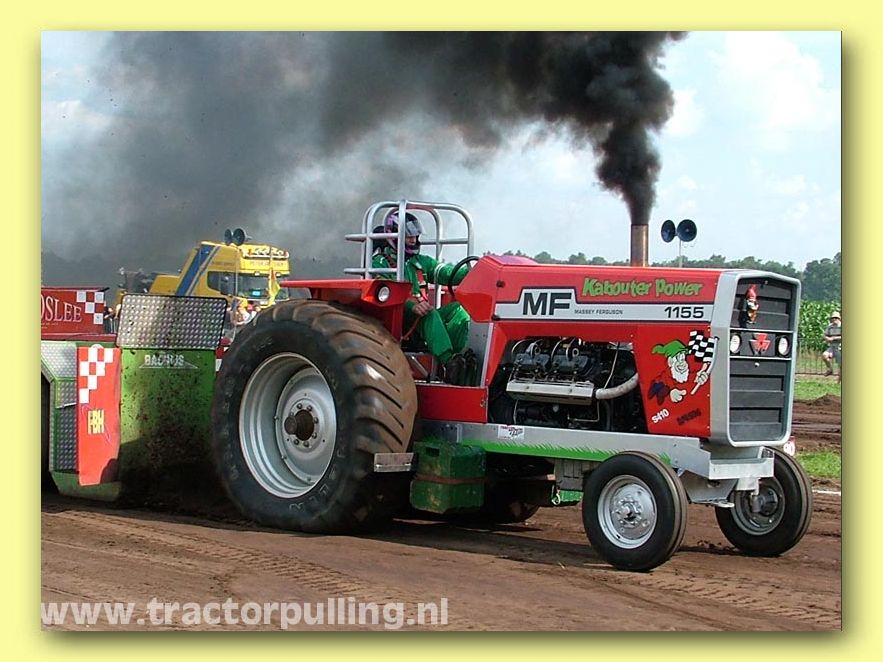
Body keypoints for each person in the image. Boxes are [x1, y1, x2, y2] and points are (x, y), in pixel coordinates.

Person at [372, 210, 471, 374]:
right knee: (429, 314)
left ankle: (459, 359)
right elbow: (384, 293)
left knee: (458, 310)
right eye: (409, 236)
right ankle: (449, 362)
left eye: (415, 236)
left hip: (420, 317)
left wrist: (471, 272)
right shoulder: (380, 263)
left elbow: (446, 273)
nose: (414, 240)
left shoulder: (420, 262)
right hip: (397, 319)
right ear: (394, 237)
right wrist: (412, 306)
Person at [822, 310, 842, 381]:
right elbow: (824, 335)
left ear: (839, 318)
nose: (834, 319)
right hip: (832, 347)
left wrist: (833, 338)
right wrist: (826, 338)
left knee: (841, 365)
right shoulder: (830, 326)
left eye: (836, 318)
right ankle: (830, 369)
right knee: (824, 355)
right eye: (833, 318)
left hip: (840, 347)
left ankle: (839, 381)